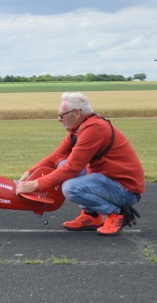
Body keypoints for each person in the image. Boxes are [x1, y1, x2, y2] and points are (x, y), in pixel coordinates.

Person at [15, 92, 145, 236]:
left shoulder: (94, 128)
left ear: (76, 113)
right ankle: (92, 216)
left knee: (71, 188)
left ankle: (118, 213)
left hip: (125, 190)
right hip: (108, 181)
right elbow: (56, 157)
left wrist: (35, 185)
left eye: (61, 114)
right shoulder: (79, 129)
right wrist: (30, 172)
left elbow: (72, 168)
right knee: (62, 163)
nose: (59, 119)